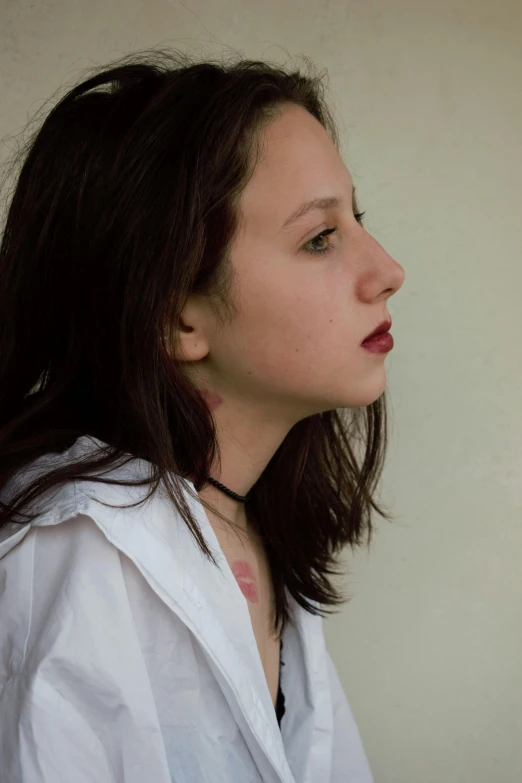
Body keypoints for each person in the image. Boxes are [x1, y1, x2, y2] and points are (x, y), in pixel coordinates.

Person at [0, 48, 405, 782]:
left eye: (357, 219)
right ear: (175, 315)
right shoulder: (71, 556)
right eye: (320, 237)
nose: (387, 270)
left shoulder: (250, 523)